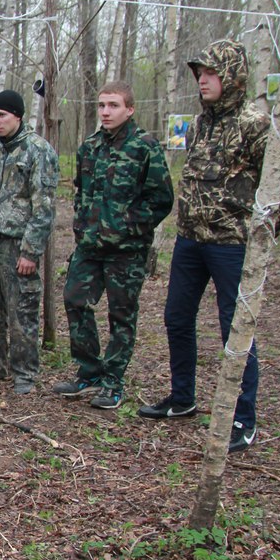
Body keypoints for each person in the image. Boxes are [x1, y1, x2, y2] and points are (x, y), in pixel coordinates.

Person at [138, 39, 272, 453]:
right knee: (177, 318)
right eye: (200, 75)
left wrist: (262, 240)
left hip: (232, 245)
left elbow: (279, 188)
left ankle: (242, 418)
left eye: (211, 74)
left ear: (232, 76)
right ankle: (183, 399)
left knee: (236, 329)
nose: (203, 82)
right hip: (190, 240)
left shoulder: (256, 124)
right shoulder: (198, 125)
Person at [52, 82, 173, 409]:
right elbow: (81, 193)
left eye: (114, 105)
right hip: (90, 247)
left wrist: (128, 227)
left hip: (126, 251)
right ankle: (89, 370)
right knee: (74, 299)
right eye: (102, 105)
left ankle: (113, 380)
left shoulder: (144, 147)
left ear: (129, 109)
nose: (106, 111)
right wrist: (81, 224)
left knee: (121, 315)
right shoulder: (89, 147)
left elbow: (161, 199)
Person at [0, 89, 59, 394]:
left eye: (2, 115)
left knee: (23, 310)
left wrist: (31, 251)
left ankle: (25, 372)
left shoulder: (37, 150)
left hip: (18, 243)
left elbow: (43, 206)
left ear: (17, 115)